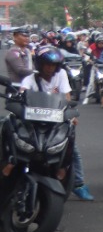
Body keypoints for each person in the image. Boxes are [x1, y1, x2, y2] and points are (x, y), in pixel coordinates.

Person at [18, 46, 91, 200]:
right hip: (35, 124)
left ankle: (78, 184)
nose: (50, 68)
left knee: (72, 149)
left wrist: (70, 114)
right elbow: (22, 94)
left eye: (53, 65)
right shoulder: (30, 79)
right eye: (46, 64)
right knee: (19, 143)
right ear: (39, 64)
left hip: (56, 121)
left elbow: (66, 96)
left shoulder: (62, 74)